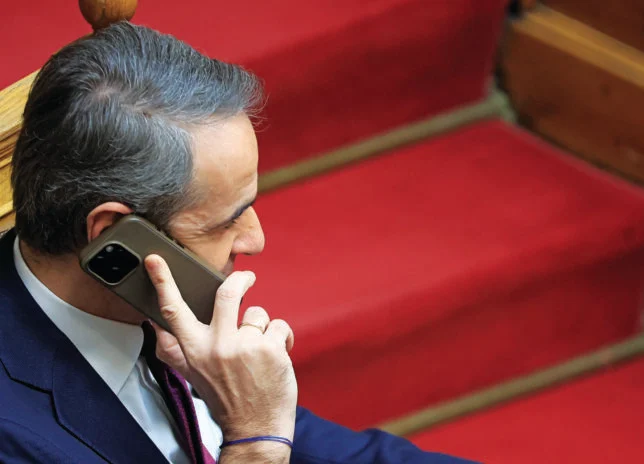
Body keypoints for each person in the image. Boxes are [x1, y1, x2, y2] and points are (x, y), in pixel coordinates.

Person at [0, 22, 477, 463]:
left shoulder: (149, 308)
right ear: (112, 237)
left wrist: (262, 419)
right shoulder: (14, 436)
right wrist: (255, 441)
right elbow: (267, 439)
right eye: (224, 222)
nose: (256, 239)